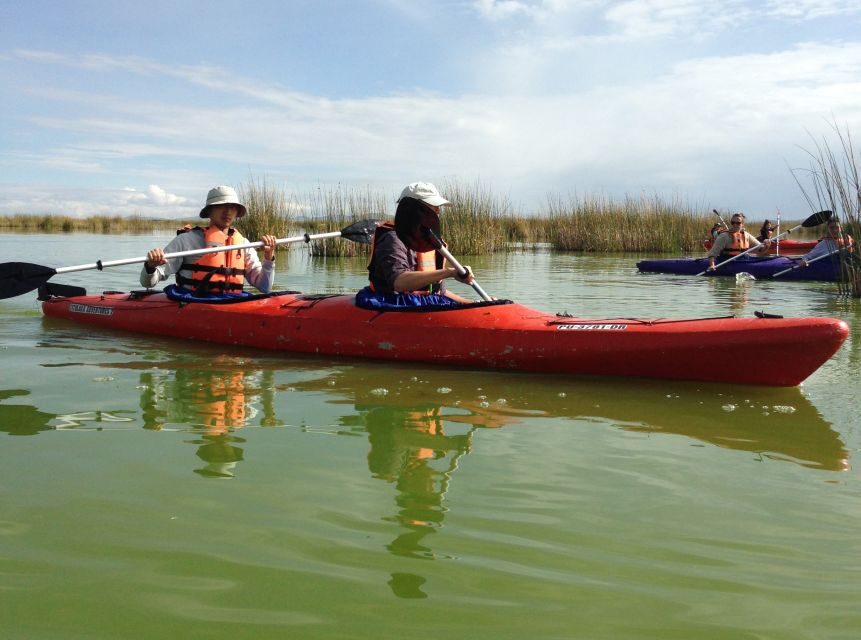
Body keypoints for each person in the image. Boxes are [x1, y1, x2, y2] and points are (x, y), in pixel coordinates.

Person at [140, 185, 277, 295]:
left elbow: (264, 287)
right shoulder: (186, 240)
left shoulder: (243, 244)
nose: (228, 211)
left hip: (231, 302)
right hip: (194, 303)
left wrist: (268, 258)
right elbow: (148, 283)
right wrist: (151, 266)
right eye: (221, 206)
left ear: (237, 212)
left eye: (232, 207)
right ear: (209, 211)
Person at [363, 182, 475, 304]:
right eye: (433, 205)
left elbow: (440, 293)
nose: (438, 210)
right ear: (414, 210)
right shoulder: (393, 239)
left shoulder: (432, 242)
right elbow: (399, 283)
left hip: (425, 303)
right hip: (392, 303)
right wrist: (450, 272)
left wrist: (475, 304)